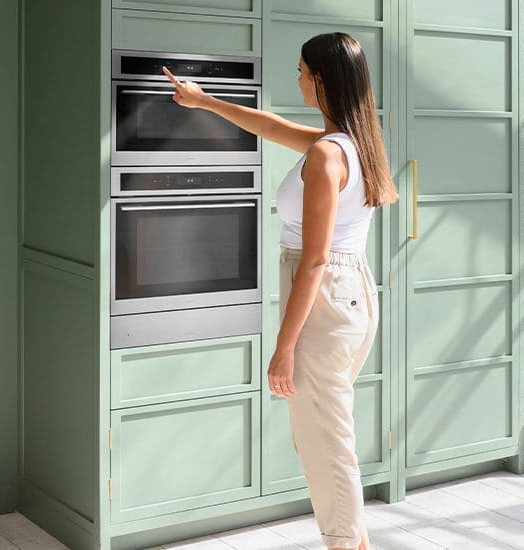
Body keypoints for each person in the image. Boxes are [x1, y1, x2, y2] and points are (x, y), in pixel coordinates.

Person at [163, 32, 398, 550]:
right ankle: (352, 541)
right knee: (327, 432)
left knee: (324, 441)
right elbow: (271, 127)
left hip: (324, 295)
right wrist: (203, 101)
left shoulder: (326, 157)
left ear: (321, 79)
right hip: (353, 293)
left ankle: (346, 544)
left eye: (299, 71)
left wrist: (283, 349)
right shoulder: (351, 143)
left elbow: (313, 262)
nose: (295, 79)